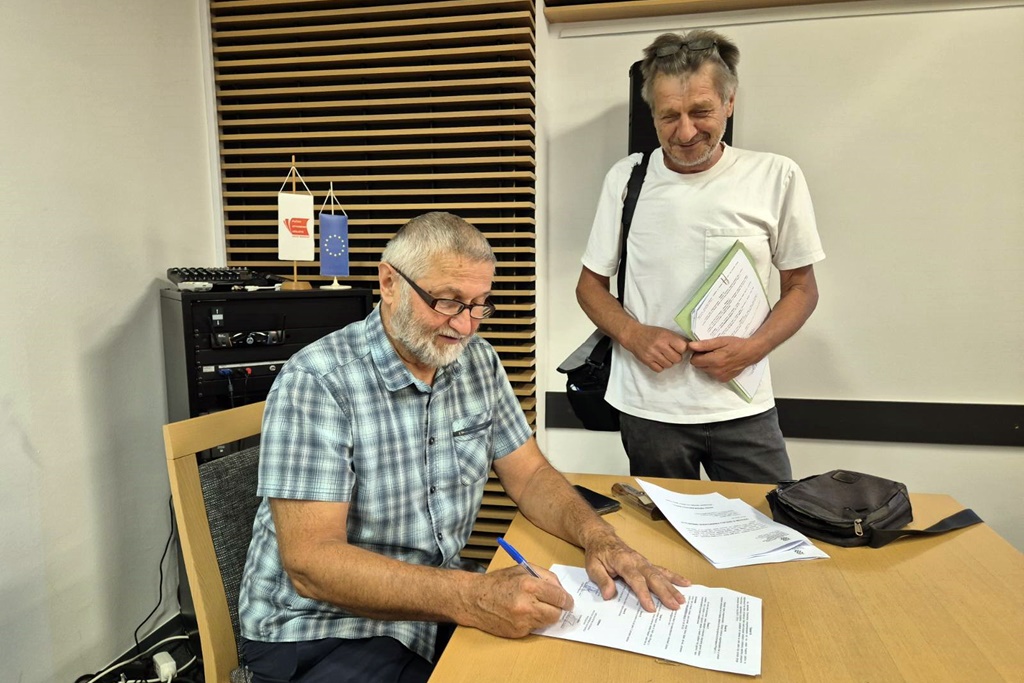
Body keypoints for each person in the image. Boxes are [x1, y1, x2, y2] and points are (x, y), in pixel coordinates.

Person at [238, 212, 689, 683]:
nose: (466, 325)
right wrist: (471, 597)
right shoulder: (317, 381)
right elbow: (311, 563)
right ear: (389, 282)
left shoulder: (477, 363)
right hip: (319, 627)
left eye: (478, 305)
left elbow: (531, 475)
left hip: (432, 604)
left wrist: (601, 539)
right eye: (448, 302)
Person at [576, 30, 825, 484]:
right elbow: (589, 287)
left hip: (743, 404)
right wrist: (632, 334)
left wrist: (753, 349)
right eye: (669, 116)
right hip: (649, 410)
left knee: (769, 521)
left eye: (701, 111)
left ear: (729, 103)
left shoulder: (776, 175)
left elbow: (802, 288)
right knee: (663, 527)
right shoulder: (626, 179)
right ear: (652, 113)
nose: (686, 132)